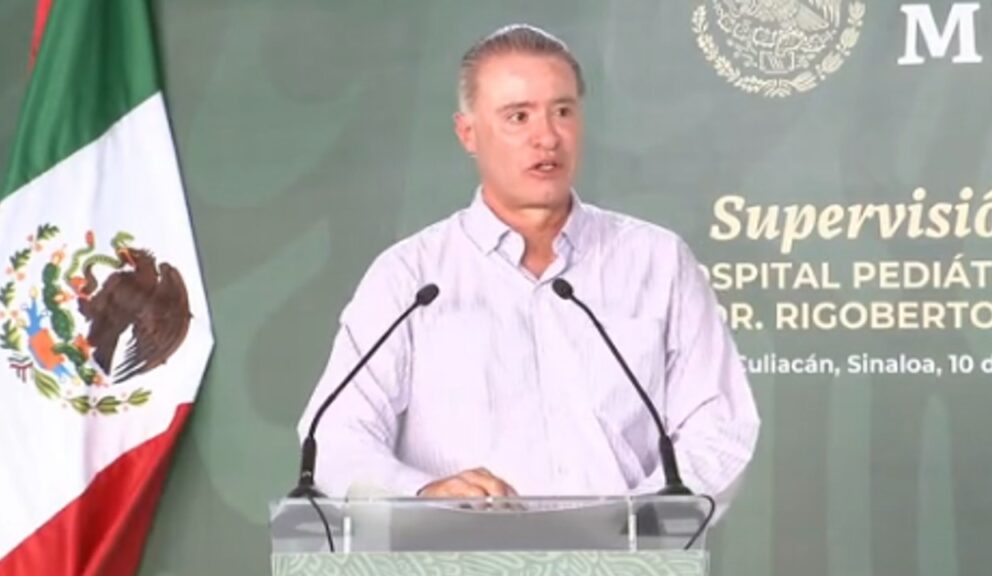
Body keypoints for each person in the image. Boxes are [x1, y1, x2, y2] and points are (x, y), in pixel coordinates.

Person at [298, 24, 759, 507]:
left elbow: (719, 428)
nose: (547, 137)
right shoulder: (410, 277)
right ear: (468, 133)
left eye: (562, 111)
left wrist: (635, 522)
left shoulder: (658, 262)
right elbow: (336, 437)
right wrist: (423, 494)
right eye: (518, 116)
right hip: (461, 546)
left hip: (627, 545)